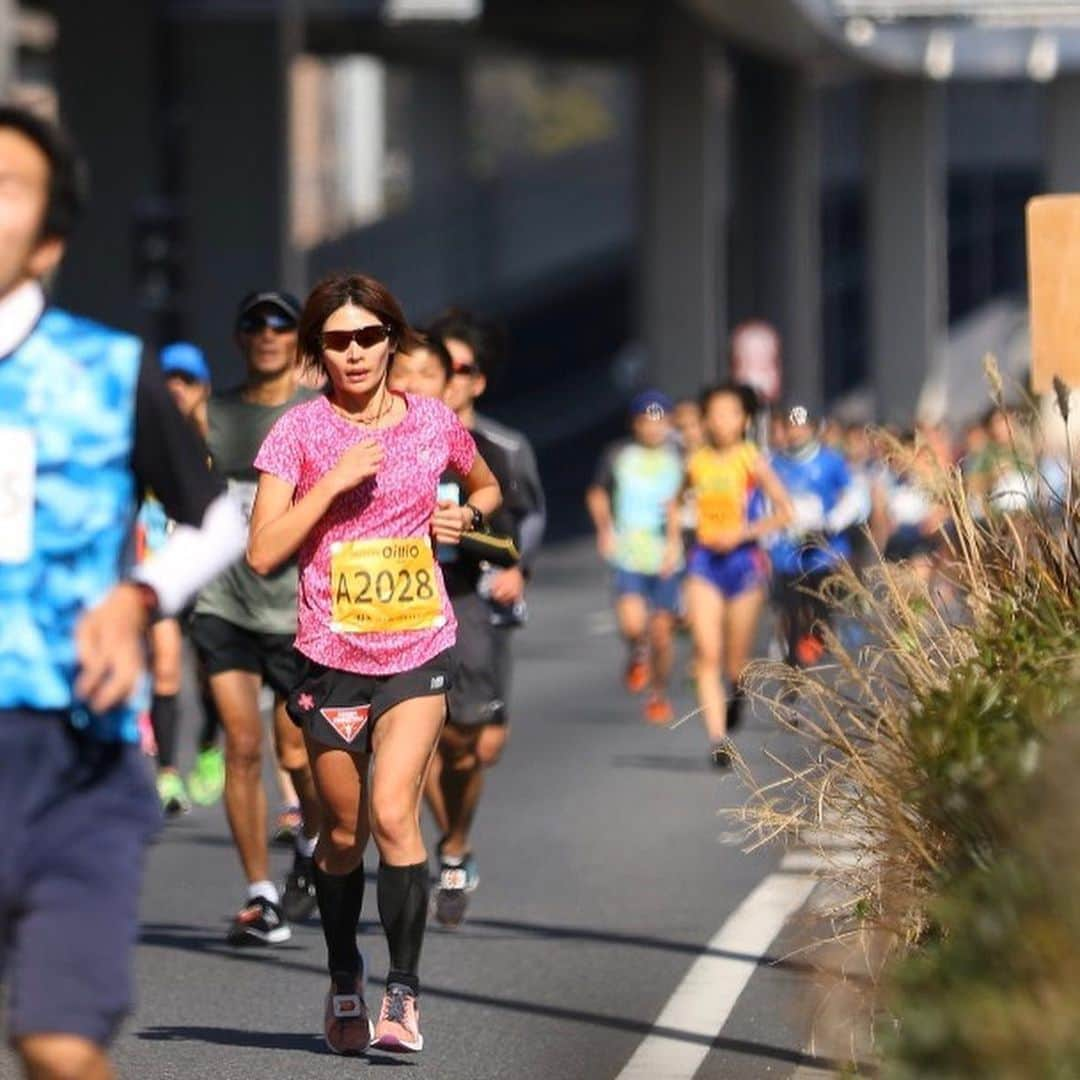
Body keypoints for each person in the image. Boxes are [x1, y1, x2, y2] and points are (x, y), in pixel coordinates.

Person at [0, 105, 246, 1080]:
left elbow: (217, 517)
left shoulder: (107, 370)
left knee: (57, 1047)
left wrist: (137, 597)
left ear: (50, 239)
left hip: (72, 753)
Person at [248, 272, 501, 1055]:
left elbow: (485, 484)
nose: (354, 352)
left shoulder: (433, 423)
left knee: (395, 811)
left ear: (392, 341)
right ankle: (345, 976)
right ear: (316, 349)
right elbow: (261, 555)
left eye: (368, 337)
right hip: (330, 658)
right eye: (336, 339)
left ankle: (403, 996)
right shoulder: (296, 434)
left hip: (418, 647)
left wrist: (468, 512)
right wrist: (329, 485)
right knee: (343, 833)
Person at [189, 289, 323, 943]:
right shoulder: (210, 416)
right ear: (240, 338)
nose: (267, 333)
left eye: (281, 323)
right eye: (254, 323)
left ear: (297, 339)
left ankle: (311, 844)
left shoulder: (319, 416)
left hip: (299, 608)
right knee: (243, 745)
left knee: (297, 748)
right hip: (223, 601)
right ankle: (260, 893)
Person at [420, 310, 546, 928]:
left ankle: (455, 841)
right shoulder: (381, 440)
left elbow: (521, 528)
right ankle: (449, 849)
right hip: (406, 607)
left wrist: (500, 553)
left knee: (474, 746)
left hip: (474, 601)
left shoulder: (499, 449)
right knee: (413, 741)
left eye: (454, 369)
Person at [671, 382, 792, 767]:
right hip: (704, 562)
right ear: (704, 420)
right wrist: (675, 545)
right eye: (715, 414)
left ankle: (737, 690)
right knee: (706, 653)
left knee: (735, 663)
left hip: (744, 563)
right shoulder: (696, 461)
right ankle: (718, 738)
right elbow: (674, 505)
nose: (722, 421)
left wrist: (742, 533)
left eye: (731, 413)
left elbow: (785, 511)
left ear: (744, 420)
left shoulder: (752, 460)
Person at [587, 390, 684, 724]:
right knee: (632, 624)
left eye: (661, 421)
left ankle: (658, 693)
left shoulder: (682, 456)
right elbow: (598, 493)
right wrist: (605, 528)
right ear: (635, 424)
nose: (654, 428)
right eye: (647, 421)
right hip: (628, 552)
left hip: (668, 557)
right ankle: (636, 651)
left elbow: (692, 499)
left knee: (661, 632)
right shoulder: (619, 455)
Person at [768, 406, 866, 668]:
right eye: (791, 427)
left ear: (812, 429)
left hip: (823, 549)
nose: (796, 433)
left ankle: (819, 640)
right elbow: (764, 501)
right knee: (790, 605)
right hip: (787, 548)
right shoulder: (775, 463)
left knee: (820, 603)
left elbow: (854, 498)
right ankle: (792, 662)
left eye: (801, 426)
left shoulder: (831, 461)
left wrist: (830, 523)